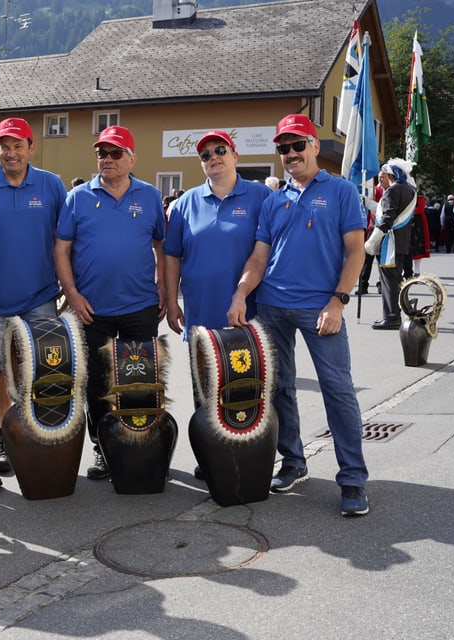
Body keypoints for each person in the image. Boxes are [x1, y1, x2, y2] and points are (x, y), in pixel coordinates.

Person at [227, 113, 370, 517]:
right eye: (283, 148)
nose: (290, 153)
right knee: (279, 388)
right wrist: (242, 293)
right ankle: (292, 462)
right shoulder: (275, 200)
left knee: (337, 390)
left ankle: (354, 478)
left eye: (297, 145)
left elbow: (356, 251)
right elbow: (259, 257)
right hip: (272, 306)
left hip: (320, 308)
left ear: (314, 146)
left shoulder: (340, 191)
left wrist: (338, 301)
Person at [55, 125, 166, 480]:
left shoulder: (149, 196)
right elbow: (61, 249)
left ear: (132, 157)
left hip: (139, 306)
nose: (107, 159)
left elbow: (162, 247)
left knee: (141, 381)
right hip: (93, 310)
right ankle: (104, 449)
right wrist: (72, 294)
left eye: (116, 153)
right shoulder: (78, 197)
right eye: (102, 153)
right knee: (98, 386)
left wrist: (163, 286)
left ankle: (143, 443)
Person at [0, 117, 65, 474]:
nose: (11, 152)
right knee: (0, 370)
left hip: (41, 297)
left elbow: (65, 243)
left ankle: (41, 430)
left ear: (31, 148)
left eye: (18, 145)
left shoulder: (52, 186)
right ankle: (7, 437)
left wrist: (69, 286)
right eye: (4, 146)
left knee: (45, 368)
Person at [164, 130, 271, 340]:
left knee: (250, 373)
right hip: (200, 313)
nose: (213, 157)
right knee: (205, 372)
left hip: (249, 312)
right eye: (206, 155)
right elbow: (172, 257)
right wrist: (172, 302)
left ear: (235, 156)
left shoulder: (262, 196)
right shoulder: (185, 203)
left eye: (220, 150)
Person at [370, 160, 417, 330]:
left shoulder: (393, 190)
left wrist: (373, 239)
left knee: (389, 281)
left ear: (390, 175)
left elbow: (388, 218)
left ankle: (391, 317)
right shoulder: (409, 190)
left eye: (383, 175)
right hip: (402, 242)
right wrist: (371, 205)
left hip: (389, 243)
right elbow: (394, 213)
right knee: (395, 280)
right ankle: (401, 311)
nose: (380, 179)